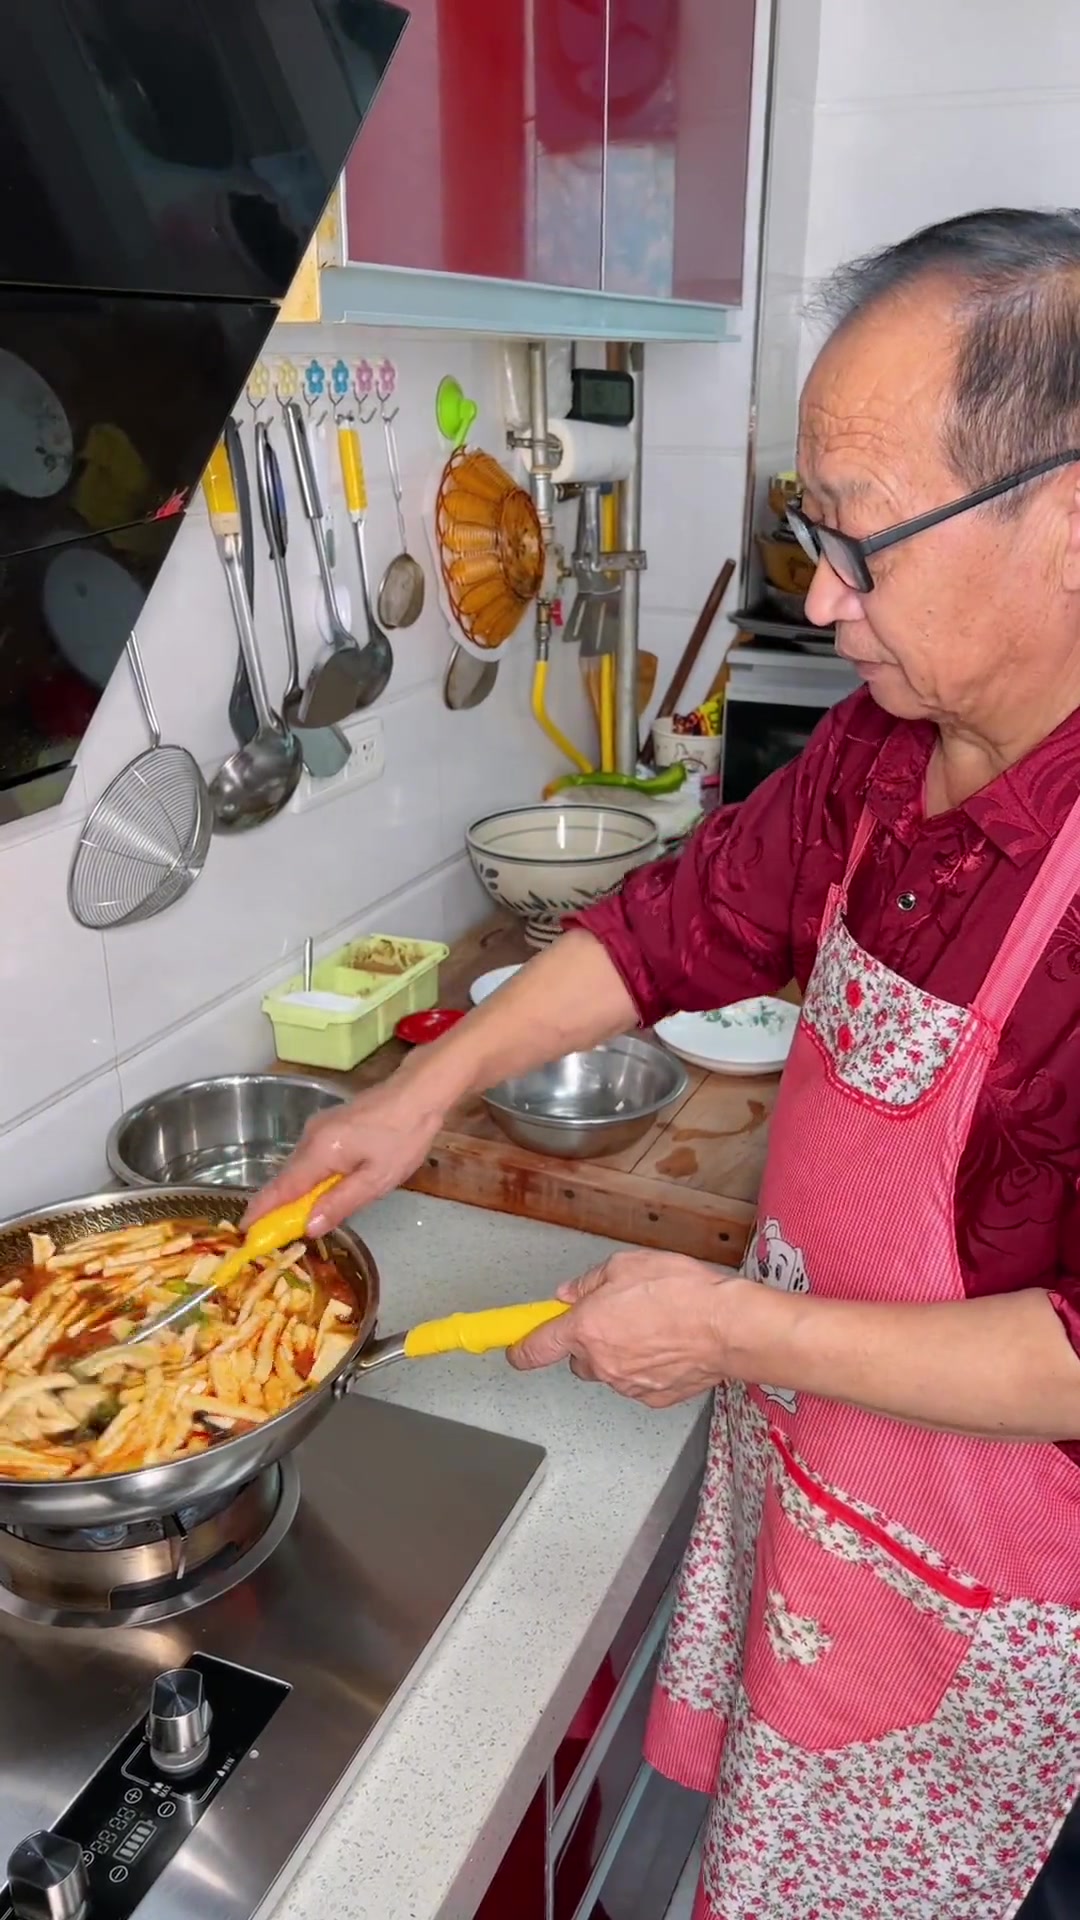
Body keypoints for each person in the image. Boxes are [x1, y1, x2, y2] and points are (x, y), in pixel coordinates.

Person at [251, 207, 1080, 1917]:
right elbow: (671, 929)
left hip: (1016, 1606)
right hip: (832, 1477)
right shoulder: (882, 746)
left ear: (1068, 521)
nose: (820, 599)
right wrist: (416, 1093)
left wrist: (727, 1329)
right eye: (808, 533)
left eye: (859, 544)